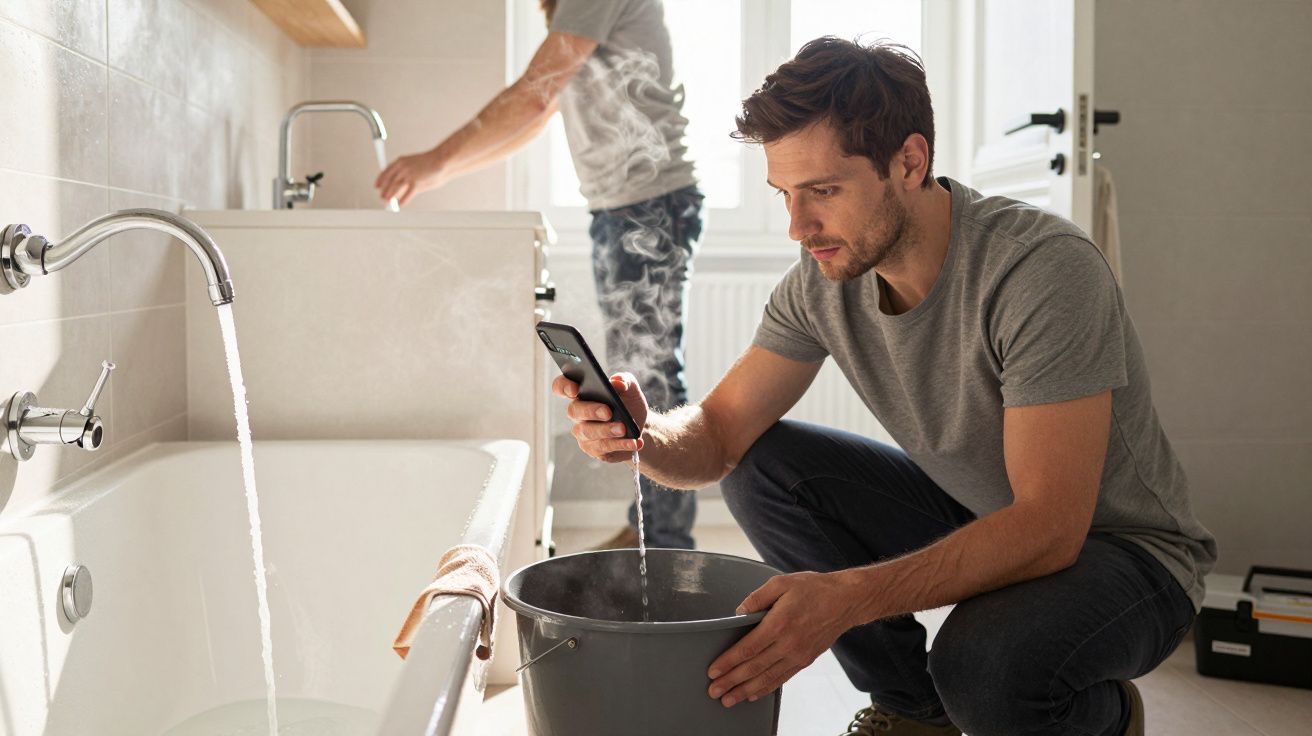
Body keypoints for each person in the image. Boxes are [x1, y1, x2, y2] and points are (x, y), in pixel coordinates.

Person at [553, 37, 1216, 736]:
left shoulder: (1041, 272)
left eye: (825, 192)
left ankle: (1102, 719)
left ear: (910, 161)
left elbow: (1051, 528)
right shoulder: (821, 282)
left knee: (980, 666)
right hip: (984, 508)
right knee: (764, 469)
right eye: (785, 195)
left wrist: (844, 598)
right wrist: (643, 434)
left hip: (1124, 554)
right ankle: (914, 713)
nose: (797, 228)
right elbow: (719, 436)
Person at [376, 0, 702, 550]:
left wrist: (435, 160)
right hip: (627, 208)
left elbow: (536, 93)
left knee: (649, 371)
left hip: (648, 206)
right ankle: (655, 531)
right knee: (639, 367)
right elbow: (541, 109)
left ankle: (665, 542)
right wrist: (442, 170)